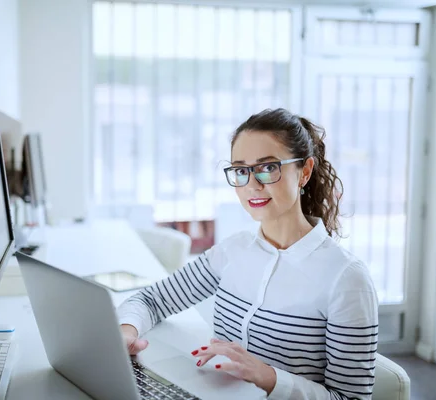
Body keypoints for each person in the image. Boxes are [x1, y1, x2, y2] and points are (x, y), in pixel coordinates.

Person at [116, 108, 379, 400]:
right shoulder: (233, 250)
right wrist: (126, 332)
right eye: (241, 170)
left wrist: (268, 377)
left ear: (304, 172)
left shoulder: (346, 278)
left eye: (268, 167)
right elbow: (152, 299)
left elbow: (351, 398)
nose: (253, 184)